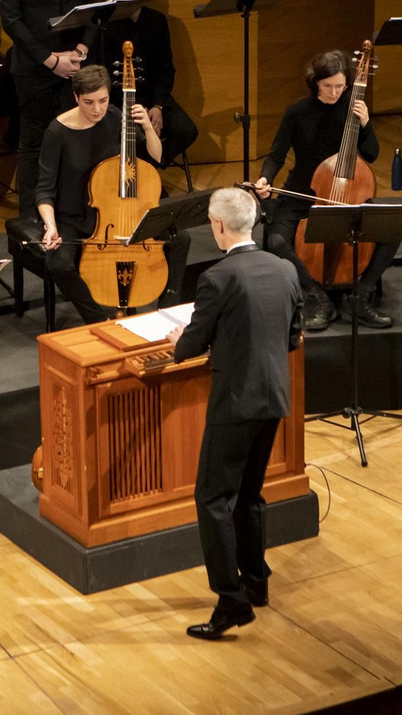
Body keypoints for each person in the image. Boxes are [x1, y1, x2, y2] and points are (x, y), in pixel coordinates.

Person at [166, 187, 303, 639]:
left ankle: (231, 600)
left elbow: (189, 346)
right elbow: (293, 337)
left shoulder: (217, 278)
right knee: (249, 494)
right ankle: (257, 583)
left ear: (218, 225)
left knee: (213, 498)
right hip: (274, 399)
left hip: (236, 403)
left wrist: (179, 339)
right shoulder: (284, 268)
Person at [254, 50, 401, 332]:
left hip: (348, 195)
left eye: (340, 86)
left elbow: (370, 154)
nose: (334, 92)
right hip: (302, 192)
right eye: (327, 86)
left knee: (392, 232)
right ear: (315, 83)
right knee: (277, 242)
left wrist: (367, 124)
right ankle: (315, 295)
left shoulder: (353, 108)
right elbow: (276, 155)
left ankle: (359, 295)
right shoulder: (297, 111)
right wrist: (264, 179)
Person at [37, 65, 189, 325]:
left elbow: (156, 156)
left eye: (103, 101)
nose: (97, 109)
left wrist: (148, 128)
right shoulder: (57, 132)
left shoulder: (115, 117)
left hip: (119, 211)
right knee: (58, 264)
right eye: (89, 102)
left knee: (181, 238)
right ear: (76, 98)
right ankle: (96, 319)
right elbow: (44, 190)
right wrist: (50, 226)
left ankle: (167, 310)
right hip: (74, 216)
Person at [0, 0, 107, 206]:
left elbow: (97, 3)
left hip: (78, 63)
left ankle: (76, 210)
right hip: (35, 69)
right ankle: (33, 220)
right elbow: (11, 18)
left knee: (81, 139)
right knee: (34, 145)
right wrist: (49, 59)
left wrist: (81, 51)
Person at [106, 0, 200, 172]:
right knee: (137, 136)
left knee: (187, 130)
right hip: (123, 101)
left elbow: (166, 68)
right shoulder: (108, 24)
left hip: (155, 97)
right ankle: (146, 172)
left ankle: (150, 169)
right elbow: (106, 76)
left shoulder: (157, 20)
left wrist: (157, 106)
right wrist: (136, 107)